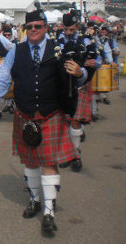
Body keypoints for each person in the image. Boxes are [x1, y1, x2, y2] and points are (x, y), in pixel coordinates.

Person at [0, 10, 87, 234]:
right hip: (25, 114)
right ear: (25, 29)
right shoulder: (17, 52)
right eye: (29, 26)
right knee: (30, 160)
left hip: (52, 113)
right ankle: (34, 199)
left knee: (49, 161)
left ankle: (49, 211)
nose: (33, 30)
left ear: (45, 28)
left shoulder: (59, 49)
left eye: (38, 26)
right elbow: (2, 76)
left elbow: (78, 76)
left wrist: (80, 74)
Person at [56, 11, 99, 171]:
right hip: (61, 85)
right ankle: (68, 151)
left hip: (79, 86)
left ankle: (75, 153)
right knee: (63, 121)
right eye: (66, 29)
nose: (68, 33)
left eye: (72, 30)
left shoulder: (86, 41)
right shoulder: (55, 41)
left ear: (77, 27)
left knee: (75, 120)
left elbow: (98, 61)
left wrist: (92, 63)